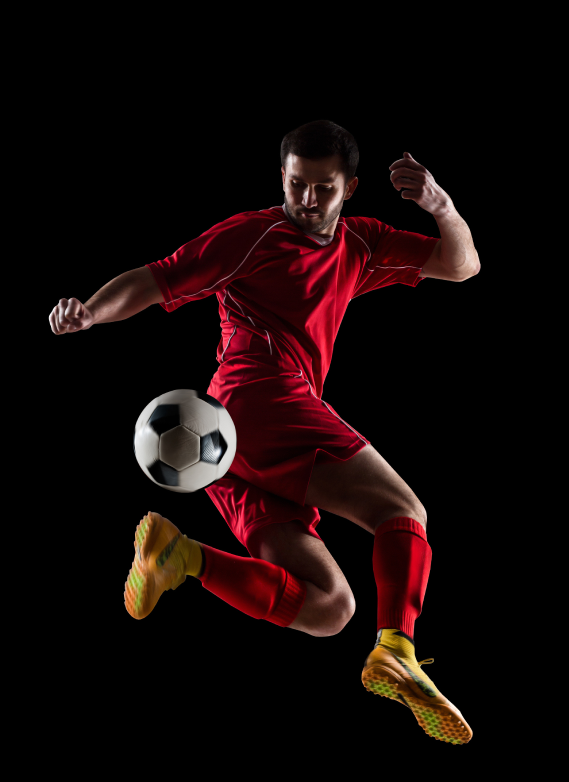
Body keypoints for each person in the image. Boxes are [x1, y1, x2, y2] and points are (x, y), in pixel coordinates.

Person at [49, 120, 480, 744]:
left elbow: (460, 265)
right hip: (257, 402)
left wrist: (438, 204)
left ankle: (180, 555)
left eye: (322, 188)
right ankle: (398, 650)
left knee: (329, 608)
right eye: (295, 184)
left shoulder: (361, 246)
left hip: (225, 449)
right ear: (282, 178)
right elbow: (157, 278)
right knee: (401, 510)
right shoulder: (253, 235)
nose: (306, 199)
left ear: (350, 188)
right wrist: (91, 311)